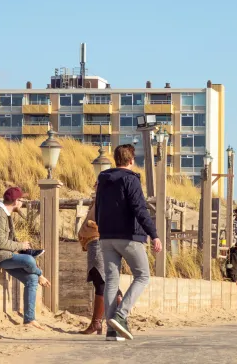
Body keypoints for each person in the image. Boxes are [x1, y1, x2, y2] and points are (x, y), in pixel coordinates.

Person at [96, 144, 162, 342]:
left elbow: (98, 206)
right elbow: (140, 209)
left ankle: (111, 330)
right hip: (129, 236)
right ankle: (120, 315)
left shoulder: (103, 179)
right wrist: (154, 234)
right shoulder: (130, 179)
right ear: (131, 160)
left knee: (111, 281)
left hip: (106, 237)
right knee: (143, 275)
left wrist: (102, 228)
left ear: (116, 159)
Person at [0, 187, 50, 329]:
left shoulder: (5, 214)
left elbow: (7, 240)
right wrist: (20, 245)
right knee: (29, 261)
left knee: (31, 279)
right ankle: (40, 274)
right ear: (16, 201)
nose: (22, 203)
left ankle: (29, 319)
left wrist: (23, 248)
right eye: (22, 200)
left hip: (3, 255)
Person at [76, 181, 123, 335]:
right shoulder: (103, 199)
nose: (94, 187)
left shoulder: (106, 199)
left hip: (98, 242)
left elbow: (107, 222)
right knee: (104, 280)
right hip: (97, 242)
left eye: (97, 185)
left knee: (100, 280)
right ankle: (115, 316)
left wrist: (92, 226)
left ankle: (98, 322)